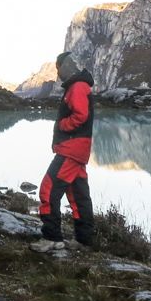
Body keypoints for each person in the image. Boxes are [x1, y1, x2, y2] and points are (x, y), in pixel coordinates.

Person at [32, 51, 96, 253]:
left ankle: (52, 238)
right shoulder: (79, 85)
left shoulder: (76, 87)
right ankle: (85, 240)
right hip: (78, 149)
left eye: (58, 68)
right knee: (78, 196)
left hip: (70, 148)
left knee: (48, 189)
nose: (58, 73)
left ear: (66, 67)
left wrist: (62, 126)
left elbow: (81, 115)